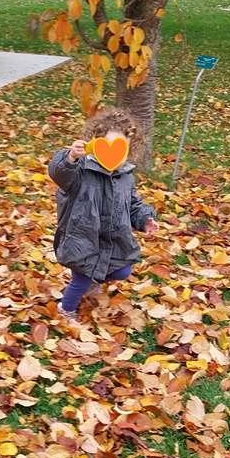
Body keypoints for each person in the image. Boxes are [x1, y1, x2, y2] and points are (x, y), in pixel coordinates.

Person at [48, 107, 157, 319]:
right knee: (82, 278)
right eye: (107, 146)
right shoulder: (81, 171)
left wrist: (145, 219)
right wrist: (69, 158)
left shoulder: (125, 176)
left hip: (111, 240)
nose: (116, 155)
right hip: (82, 239)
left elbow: (133, 204)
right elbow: (59, 174)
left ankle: (91, 282)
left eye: (121, 149)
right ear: (95, 144)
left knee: (122, 271)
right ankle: (66, 310)